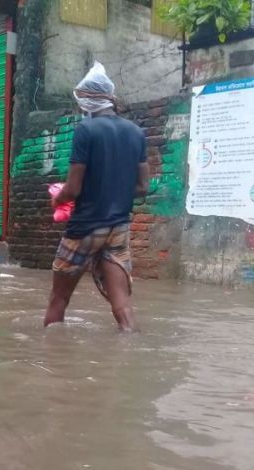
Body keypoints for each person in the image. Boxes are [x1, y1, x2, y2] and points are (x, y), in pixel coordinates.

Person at [45, 62, 150, 332]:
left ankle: (48, 359)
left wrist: (58, 200)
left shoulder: (85, 131)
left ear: (88, 100)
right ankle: (130, 350)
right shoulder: (136, 133)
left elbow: (73, 189)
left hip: (85, 227)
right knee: (123, 306)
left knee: (58, 299)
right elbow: (142, 187)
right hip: (118, 228)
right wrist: (113, 189)